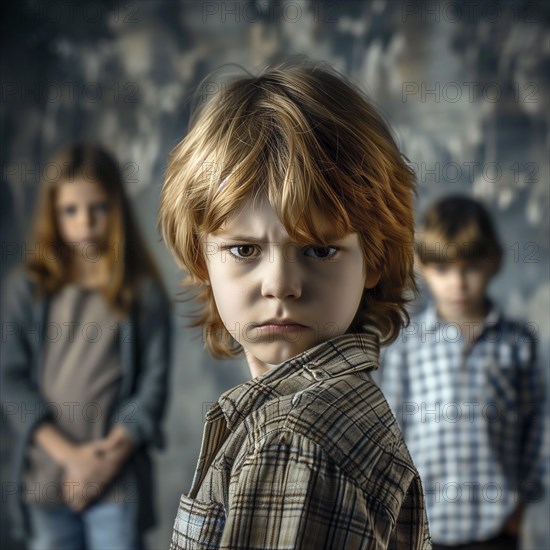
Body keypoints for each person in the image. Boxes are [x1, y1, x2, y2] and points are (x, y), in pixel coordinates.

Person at [158, 58, 431, 549]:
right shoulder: (340, 405)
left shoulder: (291, 441)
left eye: (320, 250)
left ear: (372, 259)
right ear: (203, 259)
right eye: (244, 250)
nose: (281, 285)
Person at [1, 143, 172, 550]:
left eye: (99, 208)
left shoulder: (141, 292)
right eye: (70, 211)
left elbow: (153, 385)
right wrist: (71, 459)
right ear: (52, 214)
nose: (85, 224)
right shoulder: (27, 289)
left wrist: (106, 460)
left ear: (118, 209)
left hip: (116, 480)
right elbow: (10, 380)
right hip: (45, 477)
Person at [379, 195, 546, 550]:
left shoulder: (517, 343)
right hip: (425, 525)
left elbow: (535, 426)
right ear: (422, 266)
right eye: (443, 269)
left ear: (493, 262)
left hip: (495, 524)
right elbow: (392, 433)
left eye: (469, 267)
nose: (457, 282)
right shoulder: (408, 346)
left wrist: (520, 505)